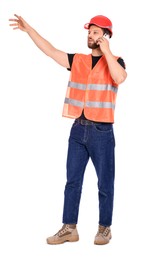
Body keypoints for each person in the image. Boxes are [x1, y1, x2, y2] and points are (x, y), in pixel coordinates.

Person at [9, 14, 127, 245]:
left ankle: (104, 228)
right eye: (89, 32)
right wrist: (29, 29)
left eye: (95, 32)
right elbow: (51, 51)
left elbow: (119, 77)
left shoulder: (117, 61)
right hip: (77, 129)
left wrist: (108, 51)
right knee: (72, 181)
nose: (90, 36)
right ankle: (69, 228)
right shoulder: (79, 60)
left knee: (105, 183)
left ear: (105, 35)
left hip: (102, 133)